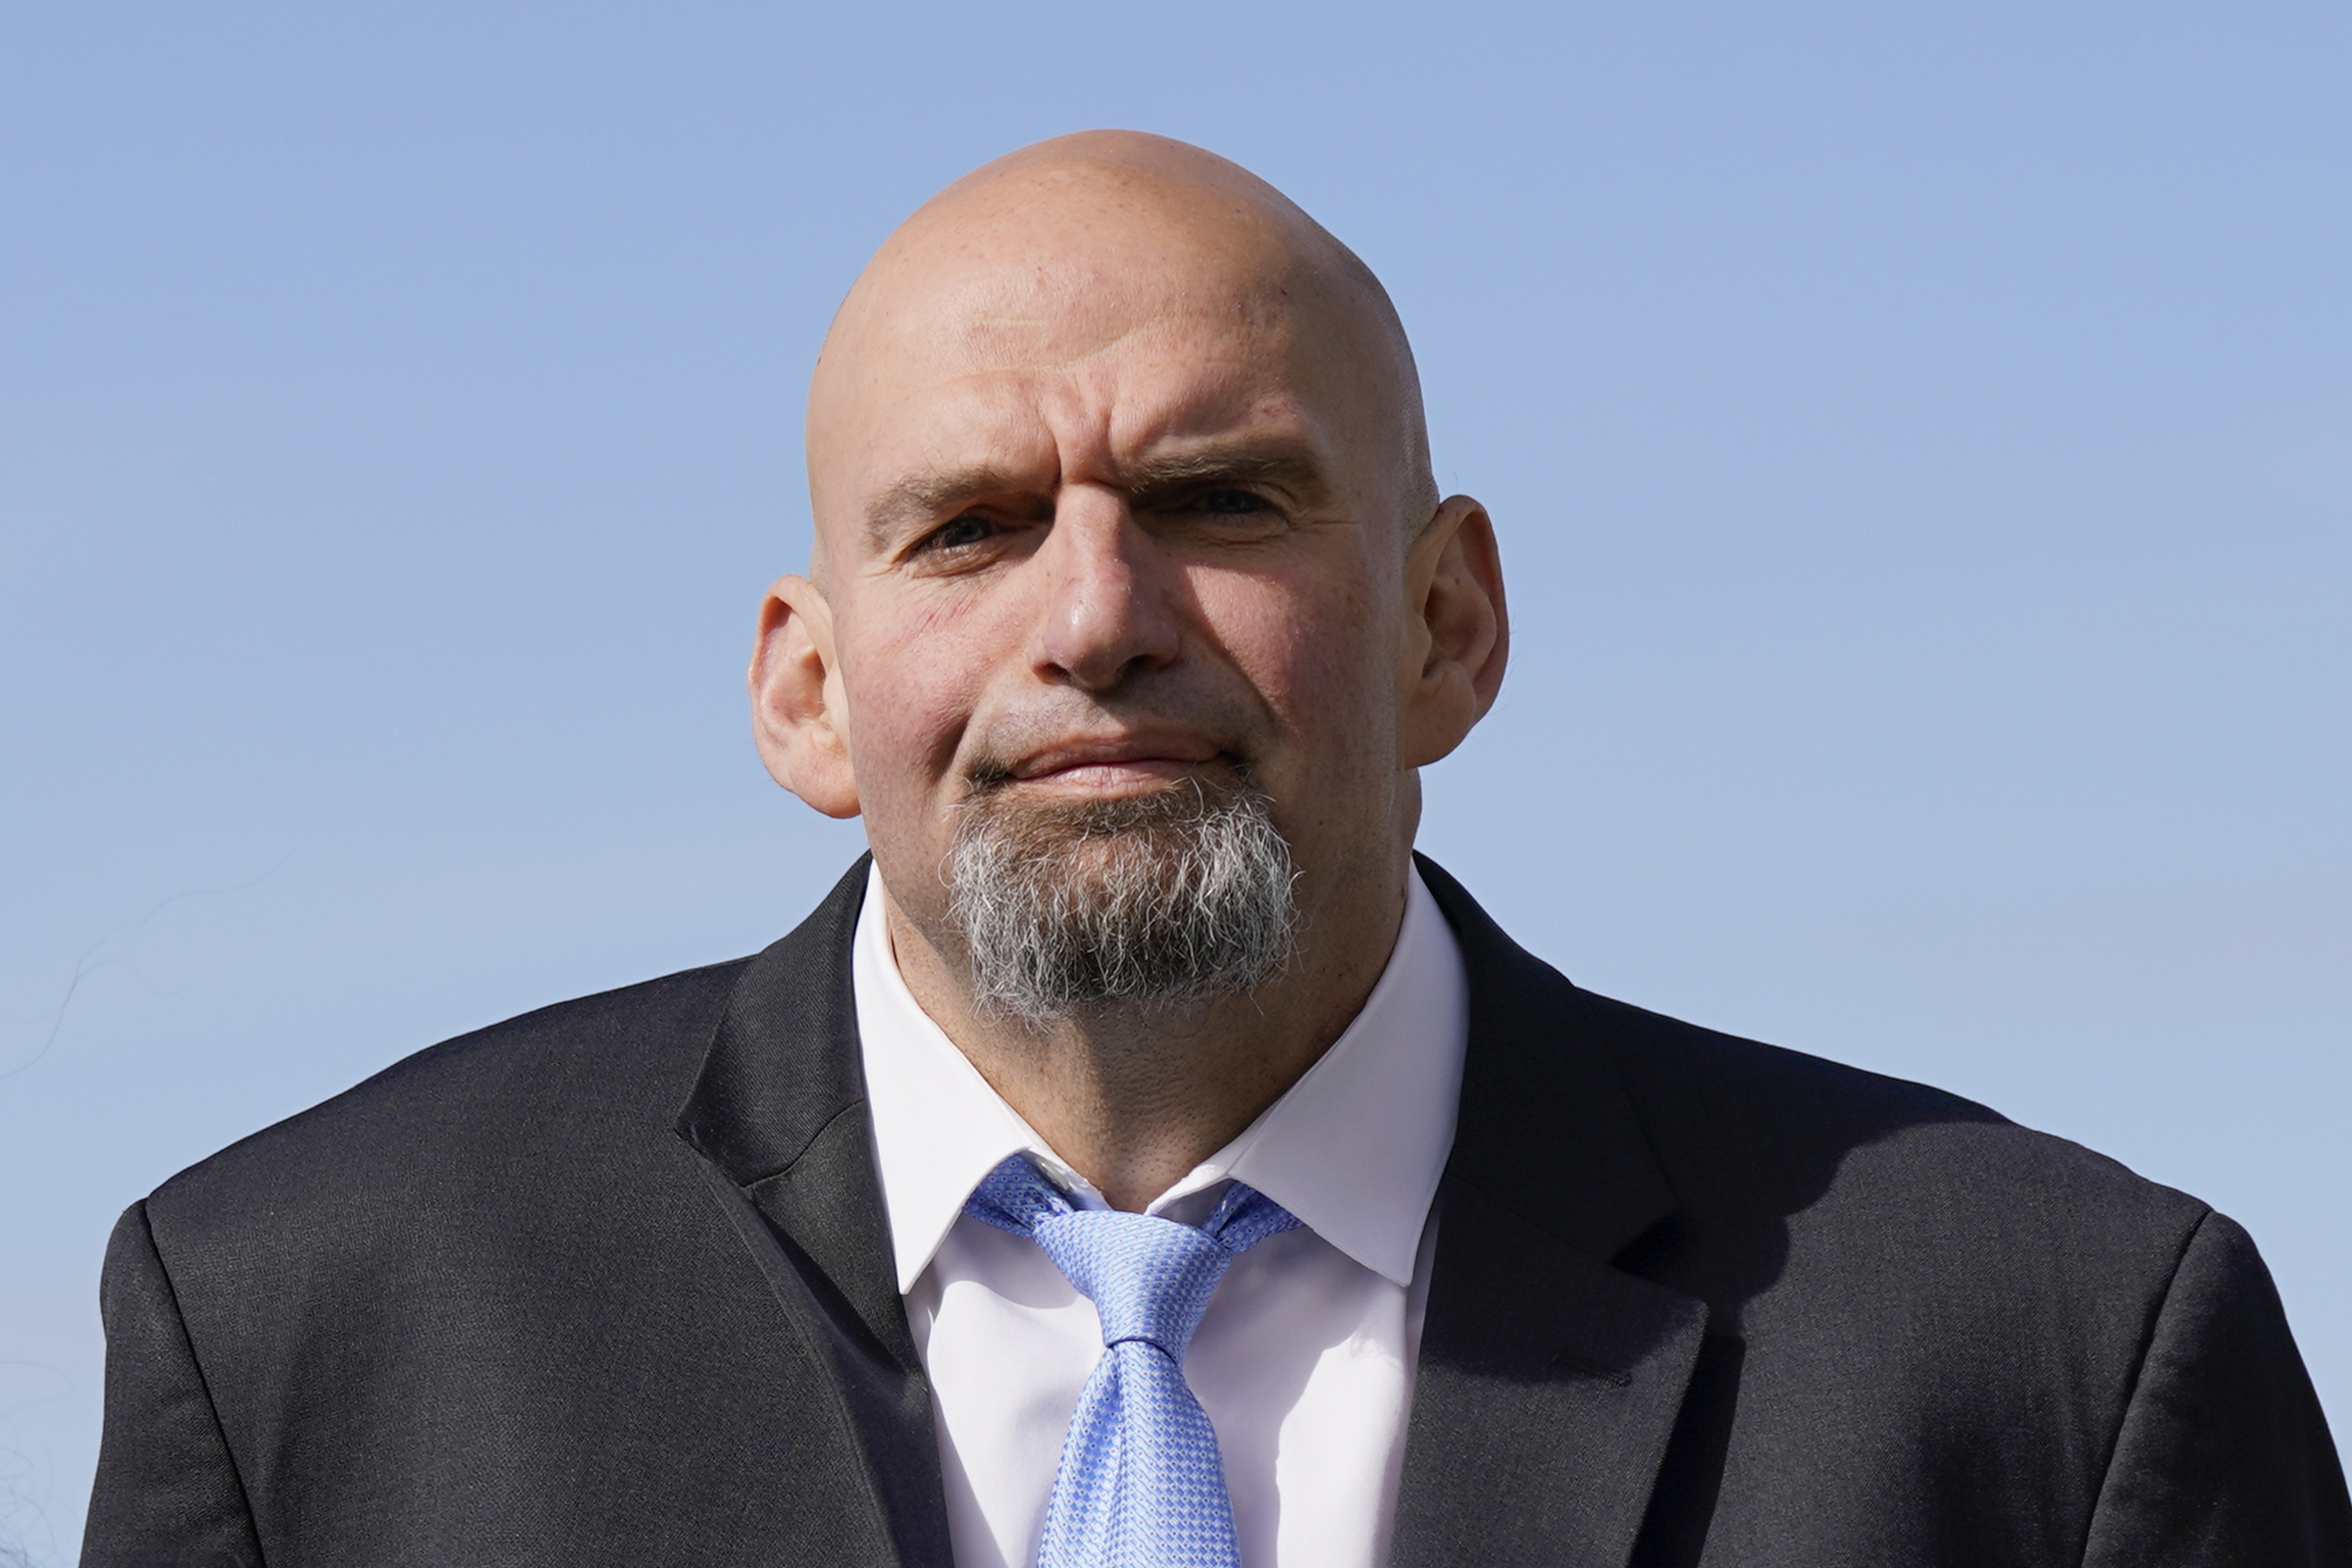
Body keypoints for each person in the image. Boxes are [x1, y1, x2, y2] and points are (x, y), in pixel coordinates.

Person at [80, 131, 2347, 1568]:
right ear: (803, 690)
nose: (1093, 614)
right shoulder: (307, 1334)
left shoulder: (2043, 1359)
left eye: (1217, 499)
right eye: (967, 526)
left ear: (1447, 620)